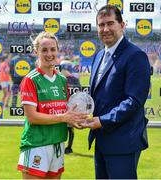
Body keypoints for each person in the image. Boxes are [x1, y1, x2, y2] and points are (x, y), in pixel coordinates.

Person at [81, 5, 151, 179]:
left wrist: (102, 121)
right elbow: (99, 96)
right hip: (102, 140)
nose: (105, 29)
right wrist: (81, 114)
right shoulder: (98, 56)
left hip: (124, 142)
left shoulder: (135, 55)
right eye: (101, 25)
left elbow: (134, 101)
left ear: (122, 25)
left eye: (110, 23)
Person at [17, 31, 88, 179]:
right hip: (37, 144)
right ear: (36, 52)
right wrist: (64, 117)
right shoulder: (30, 80)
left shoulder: (62, 80)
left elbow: (65, 113)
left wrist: (76, 120)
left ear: (58, 51)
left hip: (58, 144)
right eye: (44, 50)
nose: (49, 54)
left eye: (52, 49)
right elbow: (32, 117)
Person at [60, 56, 81, 154]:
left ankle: (69, 147)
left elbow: (78, 93)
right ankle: (64, 147)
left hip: (70, 107)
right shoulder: (59, 79)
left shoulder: (72, 79)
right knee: (63, 127)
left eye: (63, 69)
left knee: (70, 127)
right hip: (61, 107)